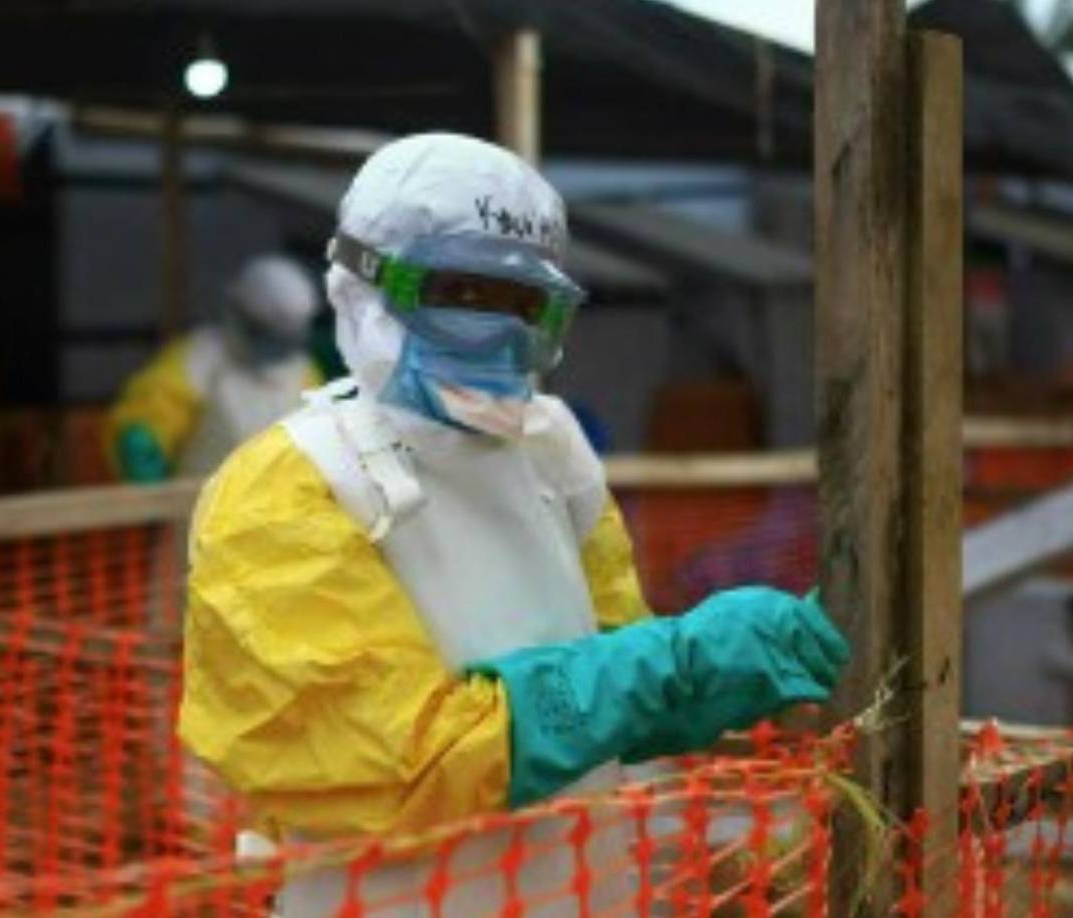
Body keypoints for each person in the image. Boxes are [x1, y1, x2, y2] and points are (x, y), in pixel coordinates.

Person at [178, 134, 848, 915]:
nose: (499, 339)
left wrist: (712, 675)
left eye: (525, 307)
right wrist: (671, 665)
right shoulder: (284, 489)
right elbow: (404, 765)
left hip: (582, 890)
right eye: (462, 299)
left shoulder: (549, 445)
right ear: (361, 289)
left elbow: (614, 670)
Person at [107, 254, 321, 481]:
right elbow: (151, 416)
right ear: (238, 313)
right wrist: (142, 442)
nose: (270, 347)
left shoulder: (304, 372)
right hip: (197, 509)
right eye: (262, 334)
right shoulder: (198, 358)